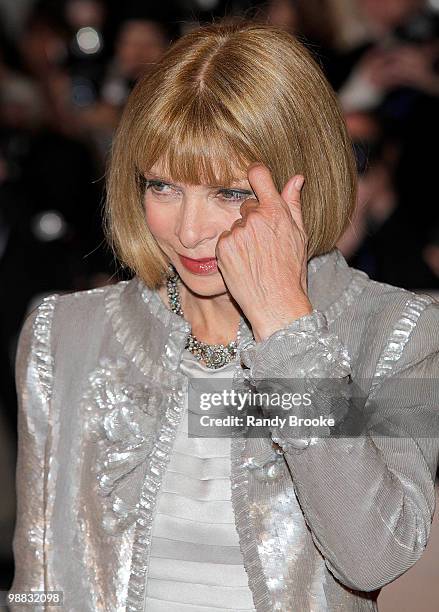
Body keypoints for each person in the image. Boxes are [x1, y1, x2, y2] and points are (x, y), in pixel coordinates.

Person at [9, 19, 439, 611]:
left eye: (229, 192)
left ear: (303, 184)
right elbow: (38, 582)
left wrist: (286, 327)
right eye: (163, 186)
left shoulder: (397, 333)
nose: (189, 231)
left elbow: (371, 556)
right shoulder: (66, 334)